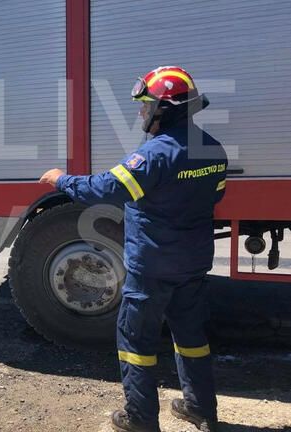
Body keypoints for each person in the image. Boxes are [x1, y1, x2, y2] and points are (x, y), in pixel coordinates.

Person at [40, 66, 227, 432]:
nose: (142, 113)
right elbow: (217, 193)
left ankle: (140, 418)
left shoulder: (155, 154)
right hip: (192, 263)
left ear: (166, 108)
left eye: (147, 106)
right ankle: (200, 409)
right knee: (190, 337)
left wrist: (61, 179)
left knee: (136, 341)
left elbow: (108, 189)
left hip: (153, 267)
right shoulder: (213, 149)